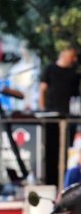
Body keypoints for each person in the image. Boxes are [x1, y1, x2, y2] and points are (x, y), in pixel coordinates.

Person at [39, 48, 80, 187]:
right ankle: (50, 181)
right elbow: (42, 89)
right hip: (51, 116)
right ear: (64, 54)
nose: (75, 60)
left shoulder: (74, 74)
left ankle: (62, 182)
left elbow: (75, 96)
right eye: (72, 56)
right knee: (51, 149)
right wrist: (42, 108)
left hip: (67, 117)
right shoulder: (50, 69)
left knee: (65, 150)